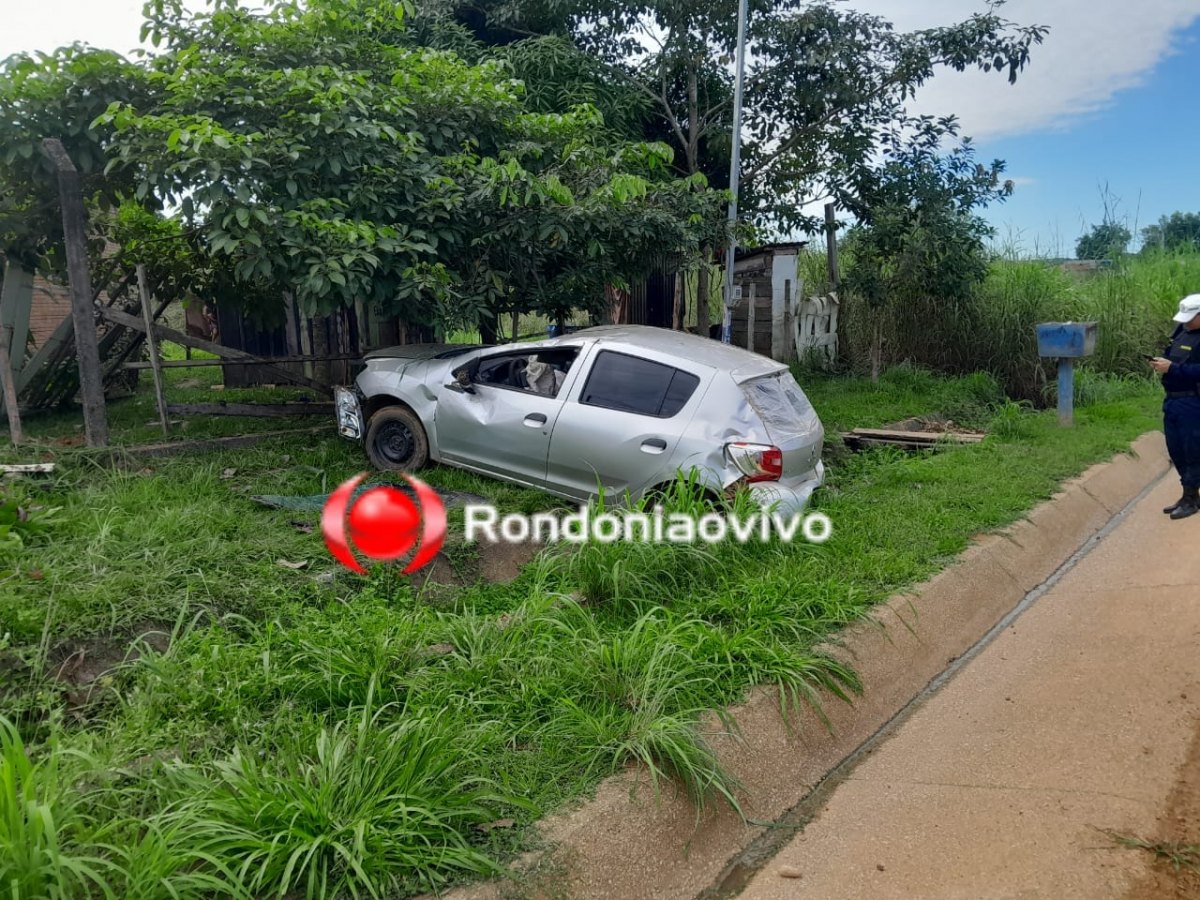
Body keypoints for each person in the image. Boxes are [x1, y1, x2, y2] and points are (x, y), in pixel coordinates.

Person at [1150, 293, 1200, 520]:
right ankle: (1188, 494)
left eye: (1191, 318)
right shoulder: (1181, 331)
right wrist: (1161, 363)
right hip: (1172, 401)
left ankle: (1191, 498)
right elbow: (1172, 356)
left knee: (1192, 451)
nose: (1186, 322)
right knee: (1176, 449)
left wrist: (1172, 369)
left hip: (1193, 402)